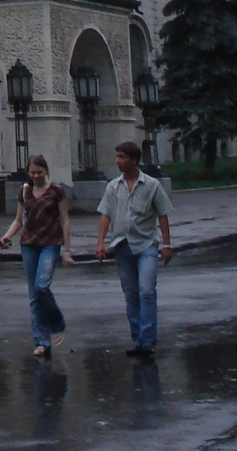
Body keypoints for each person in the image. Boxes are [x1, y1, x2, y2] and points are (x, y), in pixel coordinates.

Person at [96, 140, 174, 358]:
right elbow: (105, 214)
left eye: (122, 157)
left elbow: (163, 214)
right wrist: (100, 242)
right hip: (122, 246)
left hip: (146, 244)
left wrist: (166, 245)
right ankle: (138, 340)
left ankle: (148, 341)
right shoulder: (113, 187)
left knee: (147, 291)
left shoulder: (151, 185)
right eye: (118, 157)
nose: (119, 161)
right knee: (131, 295)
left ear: (134, 160)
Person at [0, 153, 73, 357]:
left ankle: (57, 322)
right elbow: (18, 220)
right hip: (29, 244)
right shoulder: (25, 191)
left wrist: (66, 251)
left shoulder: (56, 191)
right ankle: (42, 341)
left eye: (39, 172)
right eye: (32, 173)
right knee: (34, 295)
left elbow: (65, 220)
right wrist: (6, 237)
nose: (36, 176)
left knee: (42, 287)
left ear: (46, 171)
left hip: (51, 243)